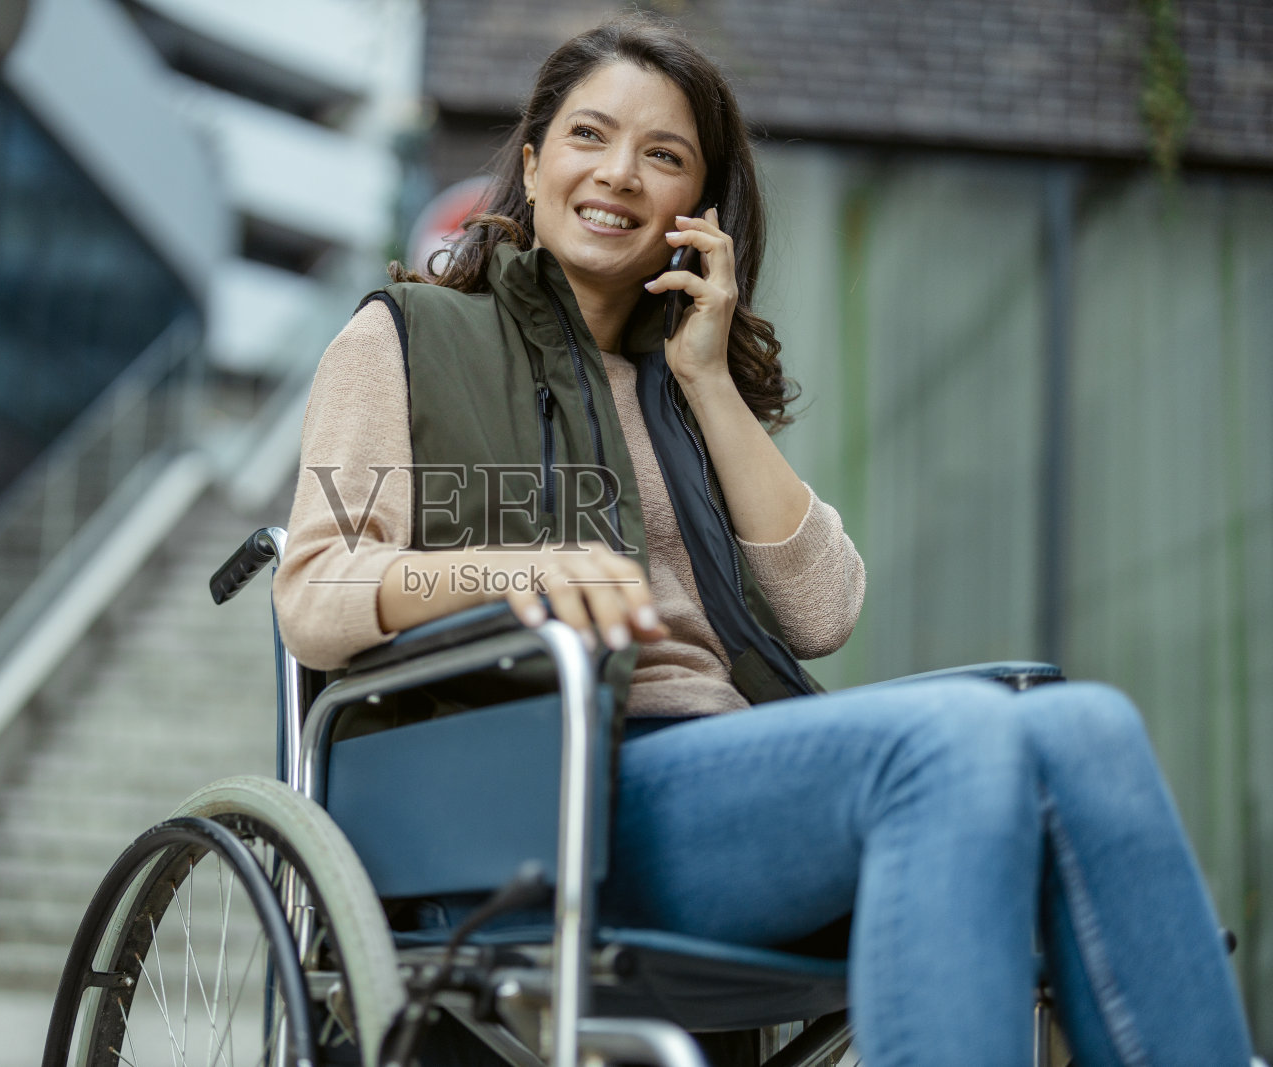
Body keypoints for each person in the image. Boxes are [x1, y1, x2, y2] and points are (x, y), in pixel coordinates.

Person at [271, 14, 1257, 1067]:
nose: (618, 174)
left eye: (663, 156)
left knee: (1090, 725)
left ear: (697, 209)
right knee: (955, 744)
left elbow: (823, 610)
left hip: (722, 778)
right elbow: (315, 591)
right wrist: (514, 570)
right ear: (532, 162)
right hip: (541, 790)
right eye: (589, 135)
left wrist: (705, 378)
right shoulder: (405, 337)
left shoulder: (688, 391)